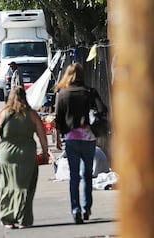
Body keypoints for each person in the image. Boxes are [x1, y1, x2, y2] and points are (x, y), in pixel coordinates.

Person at [0, 86, 49, 229]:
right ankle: (23, 218)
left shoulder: (1, 113)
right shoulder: (31, 114)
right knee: (25, 186)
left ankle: (8, 218)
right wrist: (45, 151)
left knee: (7, 185)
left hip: (7, 154)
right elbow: (42, 135)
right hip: (27, 154)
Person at [54, 62, 107, 224]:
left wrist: (58, 138)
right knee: (87, 175)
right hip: (88, 137)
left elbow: (58, 119)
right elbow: (103, 110)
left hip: (71, 138)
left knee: (74, 176)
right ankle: (86, 207)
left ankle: (75, 209)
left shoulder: (63, 94)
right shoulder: (90, 92)